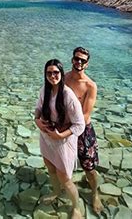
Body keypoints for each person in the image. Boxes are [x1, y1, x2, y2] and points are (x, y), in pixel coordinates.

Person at [35, 59, 85, 219]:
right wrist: (37, 121)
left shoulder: (68, 95)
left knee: (64, 177)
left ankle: (76, 207)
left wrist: (60, 135)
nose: (52, 76)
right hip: (46, 137)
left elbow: (79, 125)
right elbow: (37, 109)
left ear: (61, 74)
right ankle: (56, 192)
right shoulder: (45, 90)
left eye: (56, 72)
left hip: (63, 141)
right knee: (50, 168)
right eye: (49, 73)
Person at [64, 47, 103, 214]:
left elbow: (85, 116)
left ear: (87, 64)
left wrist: (67, 132)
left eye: (83, 60)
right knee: (64, 167)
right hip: (64, 127)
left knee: (89, 168)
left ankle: (95, 193)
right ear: (72, 59)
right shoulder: (63, 77)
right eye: (76, 58)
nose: (79, 62)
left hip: (83, 131)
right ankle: (73, 202)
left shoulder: (90, 86)